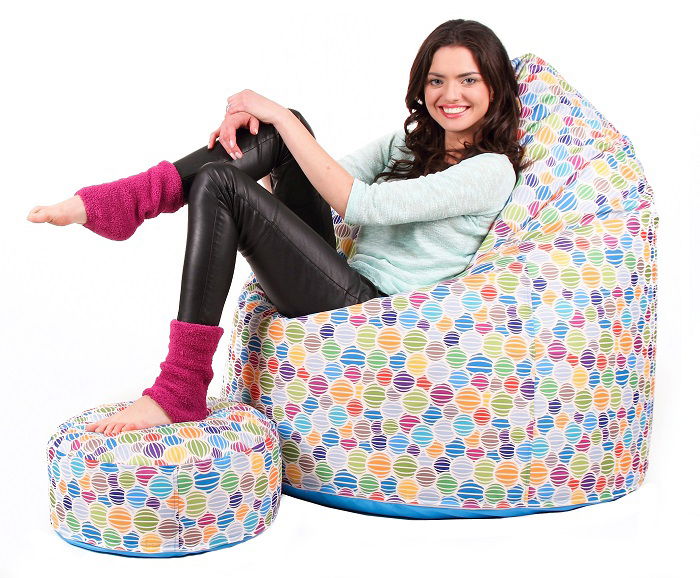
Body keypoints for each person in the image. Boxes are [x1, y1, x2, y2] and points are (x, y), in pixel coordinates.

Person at [26, 19, 527, 435]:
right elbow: (322, 173)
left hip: (373, 312)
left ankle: (181, 383)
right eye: (437, 81)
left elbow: (361, 204)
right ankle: (134, 199)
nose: (450, 95)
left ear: (494, 87)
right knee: (280, 137)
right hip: (342, 279)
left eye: (468, 80)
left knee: (232, 174)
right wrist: (270, 133)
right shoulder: (408, 143)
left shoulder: (489, 170)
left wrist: (281, 120)